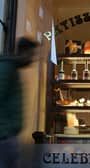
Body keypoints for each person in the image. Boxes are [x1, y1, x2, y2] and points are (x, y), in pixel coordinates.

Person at [0, 37, 39, 168]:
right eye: (32, 54)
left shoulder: (12, 68)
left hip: (9, 136)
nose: (33, 60)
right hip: (5, 137)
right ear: (24, 52)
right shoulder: (7, 68)